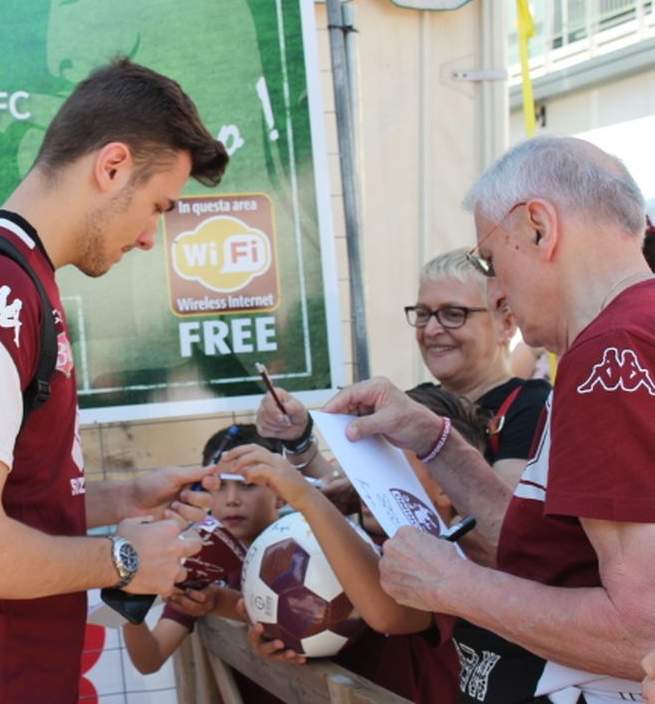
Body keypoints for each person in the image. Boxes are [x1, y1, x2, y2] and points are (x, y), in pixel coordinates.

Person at [0, 58, 230, 702]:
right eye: (158, 206)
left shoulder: (15, 280)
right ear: (113, 165)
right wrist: (125, 561)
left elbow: (8, 501)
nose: (151, 237)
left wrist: (125, 496)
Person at [322, 135, 655, 702]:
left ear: (539, 228)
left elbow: (641, 633)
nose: (498, 290)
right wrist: (435, 440)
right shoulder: (618, 337)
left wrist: (452, 584)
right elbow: (551, 552)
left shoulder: (611, 350)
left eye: (489, 261)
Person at [227, 385, 485, 704]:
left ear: (448, 483)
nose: (366, 475)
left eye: (387, 462)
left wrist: (305, 496)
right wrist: (283, 633)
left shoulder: (462, 564)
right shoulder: (367, 542)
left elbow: (388, 614)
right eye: (365, 458)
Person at [123, 424, 284, 703]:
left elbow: (293, 618)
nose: (232, 500)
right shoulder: (200, 561)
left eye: (247, 485)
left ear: (281, 494)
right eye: (219, 486)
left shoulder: (305, 552)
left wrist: (220, 602)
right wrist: (126, 593)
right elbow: (149, 658)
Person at [407, 248, 551, 487]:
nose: (431, 330)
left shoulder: (531, 408)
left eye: (453, 314)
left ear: (506, 325)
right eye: (423, 314)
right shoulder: (417, 402)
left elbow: (500, 517)